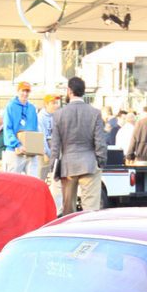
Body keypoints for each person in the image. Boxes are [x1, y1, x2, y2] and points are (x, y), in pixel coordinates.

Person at [48, 76, 106, 217]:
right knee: (91, 210)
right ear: (83, 92)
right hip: (89, 164)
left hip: (68, 166)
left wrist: (53, 169)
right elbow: (100, 142)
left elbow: (55, 146)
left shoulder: (59, 114)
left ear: (69, 91)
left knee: (68, 210)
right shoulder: (95, 113)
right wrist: (100, 161)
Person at [1, 81, 41, 176]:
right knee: (12, 183)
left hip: (30, 152)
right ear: (18, 91)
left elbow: (35, 129)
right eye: (23, 91)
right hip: (14, 151)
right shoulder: (10, 107)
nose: (25, 94)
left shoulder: (32, 108)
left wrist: (35, 147)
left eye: (27, 91)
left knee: (32, 182)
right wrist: (17, 144)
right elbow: (7, 129)